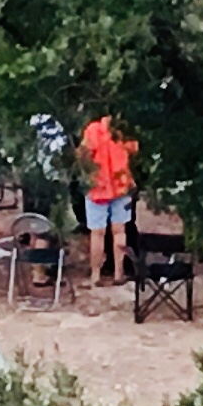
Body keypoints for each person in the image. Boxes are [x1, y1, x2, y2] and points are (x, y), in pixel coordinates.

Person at [78, 113, 137, 282]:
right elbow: (134, 150)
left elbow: (83, 154)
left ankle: (95, 274)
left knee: (97, 233)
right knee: (120, 231)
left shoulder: (93, 130)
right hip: (121, 185)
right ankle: (119, 273)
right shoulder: (123, 132)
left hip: (97, 187)